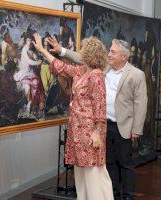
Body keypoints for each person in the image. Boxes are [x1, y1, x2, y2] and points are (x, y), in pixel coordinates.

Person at [49, 38, 148, 200]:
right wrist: (61, 51)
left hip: (123, 126)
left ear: (124, 56)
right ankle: (113, 194)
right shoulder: (103, 68)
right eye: (109, 50)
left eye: (113, 52)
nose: (109, 54)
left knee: (125, 164)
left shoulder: (137, 74)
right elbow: (81, 58)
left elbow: (141, 103)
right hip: (101, 126)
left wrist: (136, 129)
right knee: (107, 163)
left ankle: (128, 197)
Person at [33, 34, 113, 200]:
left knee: (94, 174)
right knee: (81, 172)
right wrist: (42, 50)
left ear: (90, 53)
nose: (80, 51)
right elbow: (60, 66)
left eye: (83, 48)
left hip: (90, 132)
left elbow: (100, 106)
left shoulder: (96, 75)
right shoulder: (81, 71)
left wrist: (97, 132)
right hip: (77, 131)